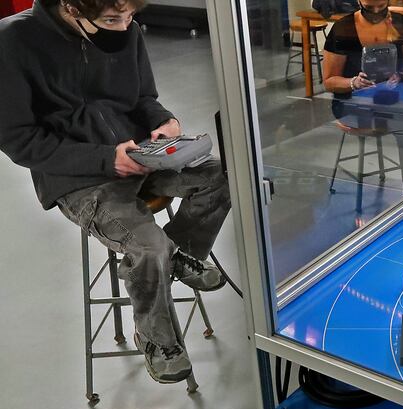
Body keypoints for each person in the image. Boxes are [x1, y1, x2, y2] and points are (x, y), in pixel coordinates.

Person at [0, 0, 231, 384]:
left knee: (225, 175)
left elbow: (143, 98)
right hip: (78, 177)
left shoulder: (125, 29)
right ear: (71, 6)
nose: (124, 28)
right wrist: (106, 159)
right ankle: (156, 338)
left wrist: (164, 121)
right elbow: (19, 140)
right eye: (111, 19)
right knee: (148, 248)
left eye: (130, 17)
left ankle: (178, 255)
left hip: (140, 156)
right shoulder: (12, 42)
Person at [322, 0, 403, 194]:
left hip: (391, 98)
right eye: (369, 7)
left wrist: (401, 77)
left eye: (381, 6)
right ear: (359, 1)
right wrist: (353, 82)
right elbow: (329, 81)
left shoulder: (401, 24)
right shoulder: (343, 28)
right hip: (353, 102)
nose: (376, 12)